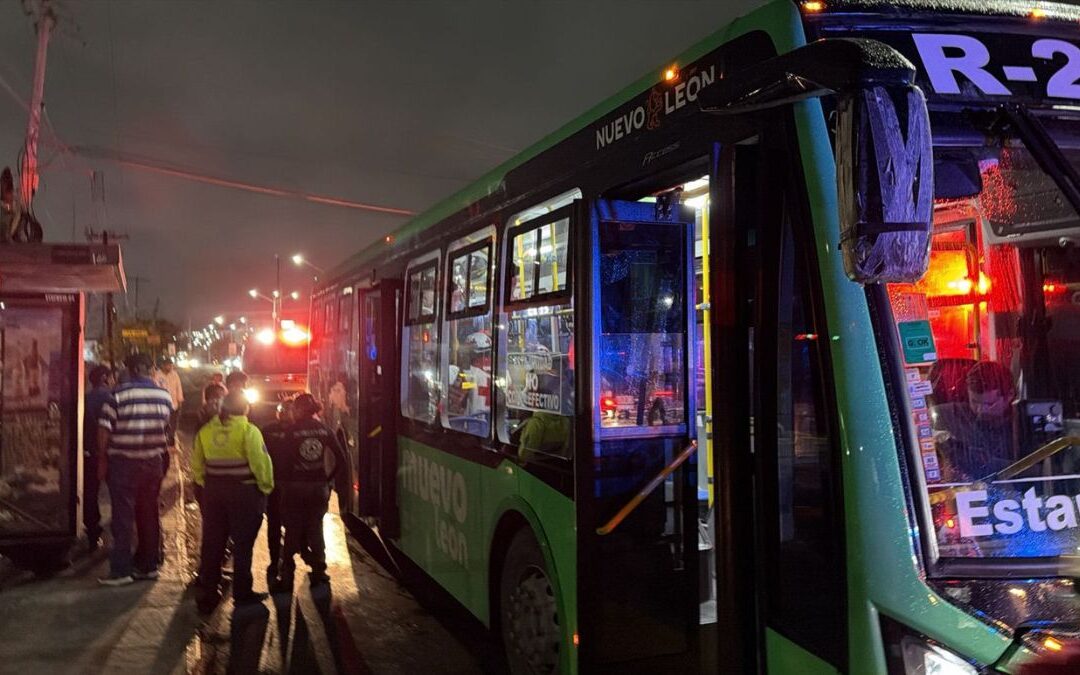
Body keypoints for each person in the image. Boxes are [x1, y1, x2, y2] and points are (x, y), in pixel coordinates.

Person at [191, 391, 274, 612]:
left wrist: (208, 485)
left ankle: (209, 593)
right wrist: (266, 489)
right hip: (244, 494)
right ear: (246, 408)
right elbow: (261, 465)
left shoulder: (206, 431)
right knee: (243, 545)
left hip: (213, 494)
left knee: (213, 544)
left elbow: (197, 466)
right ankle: (242, 593)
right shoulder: (249, 431)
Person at [97, 353, 173, 586]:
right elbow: (166, 426)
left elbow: (103, 432)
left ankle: (122, 570)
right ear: (150, 370)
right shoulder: (164, 395)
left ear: (130, 370)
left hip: (124, 463)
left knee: (123, 516)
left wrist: (102, 459)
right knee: (149, 513)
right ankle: (149, 566)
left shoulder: (117, 395)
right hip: (153, 462)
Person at [272, 393, 347, 592]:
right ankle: (319, 571)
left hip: (295, 488)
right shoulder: (324, 430)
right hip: (318, 487)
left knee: (293, 530)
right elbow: (342, 459)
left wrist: (284, 484)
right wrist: (327, 479)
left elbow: (283, 462)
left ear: (299, 410)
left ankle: (287, 573)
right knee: (316, 529)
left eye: (295, 408)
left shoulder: (292, 431)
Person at [933, 360, 1018, 482]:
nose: (980, 410)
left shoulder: (1023, 426)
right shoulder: (946, 417)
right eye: (974, 402)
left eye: (989, 404)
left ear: (1010, 395)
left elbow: (1035, 470)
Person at [261, 396, 296, 588]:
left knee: (284, 526)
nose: (286, 413)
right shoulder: (268, 430)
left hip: (285, 487)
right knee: (277, 525)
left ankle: (283, 561)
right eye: (283, 410)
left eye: (289, 410)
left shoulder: (298, 431)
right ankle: (279, 561)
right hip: (277, 486)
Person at [83, 365, 115, 550]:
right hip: (111, 453)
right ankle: (117, 535)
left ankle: (93, 536)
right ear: (104, 378)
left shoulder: (85, 399)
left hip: (90, 454)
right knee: (116, 493)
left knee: (90, 494)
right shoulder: (112, 398)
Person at [155, 358, 184, 447]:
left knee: (173, 423)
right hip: (162, 404)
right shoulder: (157, 375)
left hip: (174, 404)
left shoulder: (175, 374)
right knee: (163, 423)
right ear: (163, 365)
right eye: (168, 365)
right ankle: (163, 439)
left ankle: (171, 438)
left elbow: (178, 387)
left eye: (171, 365)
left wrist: (180, 401)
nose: (170, 367)